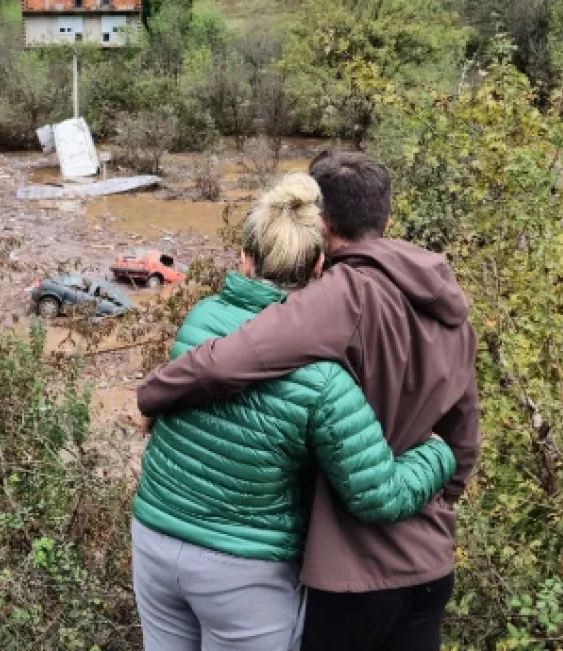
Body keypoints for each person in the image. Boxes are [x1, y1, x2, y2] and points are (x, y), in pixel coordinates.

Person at [137, 151, 481, 651]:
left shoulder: (336, 298)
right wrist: (447, 477)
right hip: (429, 559)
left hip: (349, 575)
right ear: (386, 218)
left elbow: (228, 361)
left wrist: (153, 393)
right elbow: (464, 426)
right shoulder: (449, 302)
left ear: (319, 227)